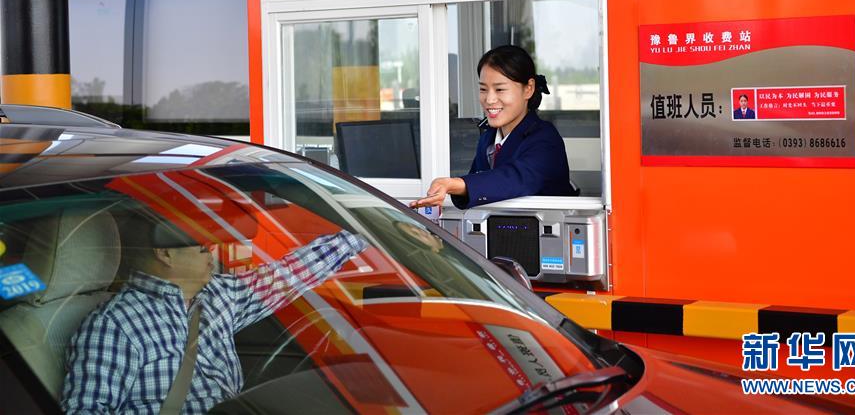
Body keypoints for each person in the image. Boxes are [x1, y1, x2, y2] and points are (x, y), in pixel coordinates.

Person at [61, 217, 366, 414]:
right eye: (202, 249)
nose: (213, 255)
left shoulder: (218, 294)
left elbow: (287, 275)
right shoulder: (114, 325)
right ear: (165, 254)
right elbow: (86, 410)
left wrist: (361, 236)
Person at [411, 45, 575, 210]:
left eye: (500, 89)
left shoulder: (545, 139)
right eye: (483, 89)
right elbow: (481, 183)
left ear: (528, 89)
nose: (489, 100)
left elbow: (513, 179)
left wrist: (453, 184)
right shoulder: (488, 138)